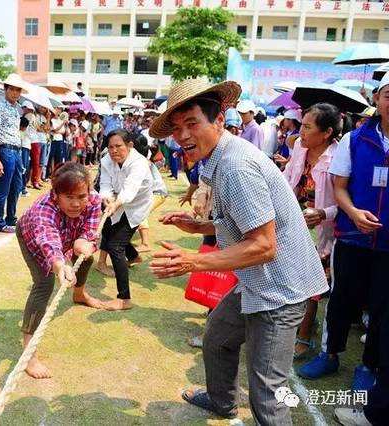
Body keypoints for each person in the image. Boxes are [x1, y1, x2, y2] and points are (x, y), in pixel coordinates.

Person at [148, 78, 328, 424]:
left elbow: (263, 245)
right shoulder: (222, 156)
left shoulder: (236, 166)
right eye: (176, 127)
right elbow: (248, 224)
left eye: (192, 123)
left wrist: (192, 260)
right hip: (257, 282)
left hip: (280, 290)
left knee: (267, 393)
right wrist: (201, 227)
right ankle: (221, 401)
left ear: (219, 120)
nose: (182, 135)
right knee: (217, 337)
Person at [298, 73, 389, 395]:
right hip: (351, 236)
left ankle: (369, 364)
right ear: (377, 99)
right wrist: (352, 213)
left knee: (381, 307)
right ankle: (330, 354)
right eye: (388, 94)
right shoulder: (356, 139)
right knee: (340, 300)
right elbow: (339, 186)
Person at [17, 162, 104, 379]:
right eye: (69, 197)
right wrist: (59, 264)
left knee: (85, 257)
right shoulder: (43, 211)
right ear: (56, 194)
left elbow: (92, 227)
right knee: (44, 284)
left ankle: (79, 294)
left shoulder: (93, 199)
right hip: (33, 240)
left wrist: (85, 239)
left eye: (81, 196)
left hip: (68, 236)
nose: (76, 204)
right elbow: (47, 239)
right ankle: (29, 352)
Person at [282, 103, 339, 360]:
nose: (300, 132)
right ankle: (291, 328)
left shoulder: (339, 157)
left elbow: (347, 199)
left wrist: (323, 213)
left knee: (312, 284)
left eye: (307, 127)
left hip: (324, 227)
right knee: (290, 277)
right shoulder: (298, 148)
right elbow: (288, 179)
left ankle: (304, 337)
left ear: (326, 133)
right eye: (301, 125)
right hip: (295, 221)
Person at [98, 129, 154, 311]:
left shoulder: (139, 163)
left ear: (129, 145)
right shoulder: (106, 160)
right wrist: (106, 198)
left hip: (135, 205)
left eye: (118, 146)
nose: (114, 151)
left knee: (115, 246)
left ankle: (124, 299)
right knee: (108, 230)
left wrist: (116, 203)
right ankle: (134, 256)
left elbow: (130, 190)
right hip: (115, 201)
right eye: (110, 147)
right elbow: (105, 184)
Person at [0, 74, 26, 233]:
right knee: (3, 188)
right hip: (5, 150)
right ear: (6, 89)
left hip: (17, 151)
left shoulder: (17, 109)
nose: (15, 93)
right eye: (12, 89)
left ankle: (11, 219)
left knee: (16, 187)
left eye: (18, 90)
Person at [19, 114, 32, 197]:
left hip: (26, 148)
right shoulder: (20, 132)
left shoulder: (22, 132)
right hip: (23, 149)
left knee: (24, 169)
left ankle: (22, 188)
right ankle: (22, 188)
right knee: (22, 169)